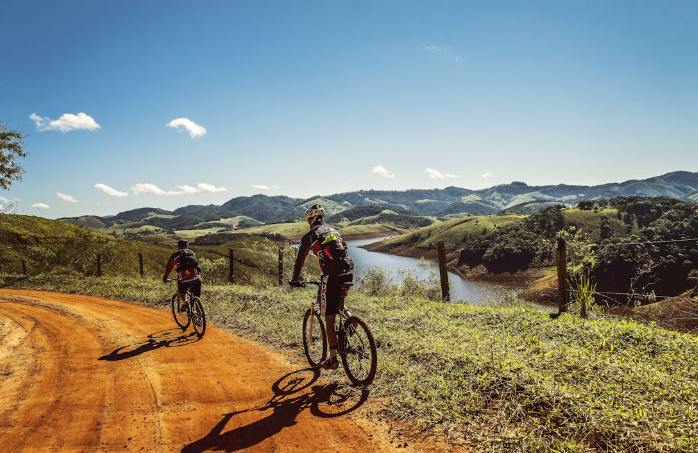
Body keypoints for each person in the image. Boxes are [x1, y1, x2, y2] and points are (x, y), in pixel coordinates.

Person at [290, 204, 354, 370]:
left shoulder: (310, 236)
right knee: (339, 304)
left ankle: (332, 359)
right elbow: (344, 251)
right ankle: (351, 320)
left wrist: (295, 279)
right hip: (347, 273)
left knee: (329, 317)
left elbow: (300, 261)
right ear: (322, 219)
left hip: (331, 277)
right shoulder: (334, 231)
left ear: (310, 221)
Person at [163, 239, 202, 312]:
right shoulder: (192, 253)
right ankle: (199, 317)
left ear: (178, 247)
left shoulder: (175, 255)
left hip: (183, 279)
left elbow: (169, 267)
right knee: (197, 296)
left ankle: (185, 303)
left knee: (181, 293)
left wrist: (165, 278)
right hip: (196, 277)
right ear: (187, 246)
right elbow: (197, 266)